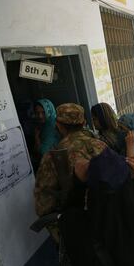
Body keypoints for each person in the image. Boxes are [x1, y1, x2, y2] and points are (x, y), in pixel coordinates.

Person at [34, 103, 107, 243]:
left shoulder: (52, 157)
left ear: (58, 125)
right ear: (84, 122)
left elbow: (43, 203)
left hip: (79, 227)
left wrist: (61, 235)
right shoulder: (100, 145)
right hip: (109, 217)